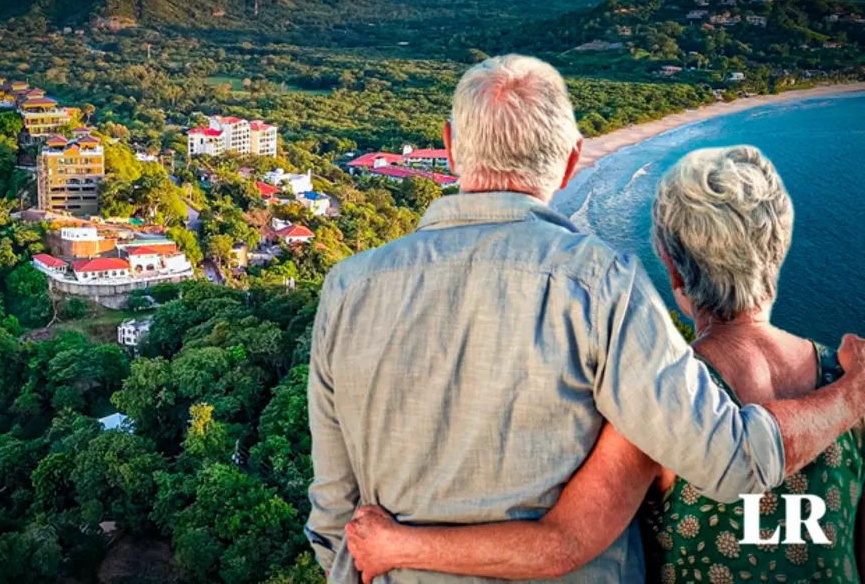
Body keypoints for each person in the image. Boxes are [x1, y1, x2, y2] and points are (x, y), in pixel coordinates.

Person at [306, 54, 865, 583]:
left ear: (450, 148)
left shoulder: (346, 288)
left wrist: (395, 552)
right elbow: (731, 461)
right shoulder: (603, 284)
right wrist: (849, 394)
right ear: (574, 160)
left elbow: (333, 515)